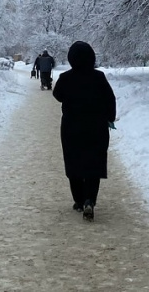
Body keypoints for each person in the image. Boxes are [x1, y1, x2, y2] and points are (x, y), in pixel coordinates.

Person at [52, 41, 116, 222]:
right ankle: (90, 200)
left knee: (74, 162)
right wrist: (109, 118)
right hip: (96, 127)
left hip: (72, 127)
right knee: (93, 163)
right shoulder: (99, 77)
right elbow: (110, 99)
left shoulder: (66, 78)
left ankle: (79, 201)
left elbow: (57, 95)